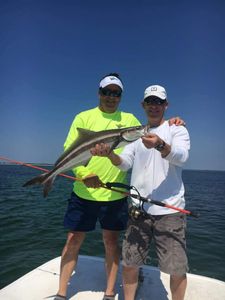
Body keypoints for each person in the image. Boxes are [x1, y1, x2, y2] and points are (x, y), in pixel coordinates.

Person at [55, 75, 185, 300]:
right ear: (99, 93)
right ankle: (61, 293)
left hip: (114, 194)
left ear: (121, 96)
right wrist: (85, 174)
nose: (111, 97)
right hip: (83, 191)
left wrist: (174, 121)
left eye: (116, 93)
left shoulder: (129, 120)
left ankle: (109, 292)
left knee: (111, 242)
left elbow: (151, 131)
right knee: (73, 239)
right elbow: (70, 149)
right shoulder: (83, 117)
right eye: (107, 92)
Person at [91, 84, 190, 300]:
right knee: (130, 263)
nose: (154, 106)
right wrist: (109, 154)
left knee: (176, 268)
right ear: (143, 105)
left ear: (166, 105)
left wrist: (160, 144)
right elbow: (124, 163)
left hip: (170, 211)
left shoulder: (177, 129)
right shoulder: (136, 134)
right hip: (138, 210)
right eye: (150, 102)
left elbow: (182, 156)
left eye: (158, 102)